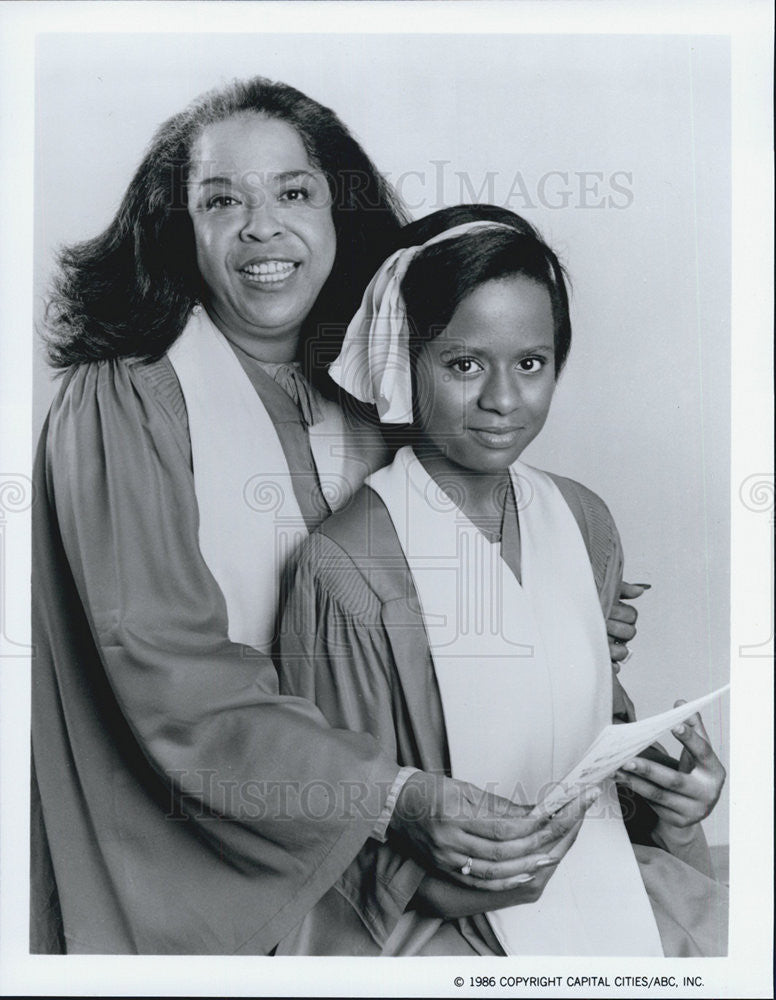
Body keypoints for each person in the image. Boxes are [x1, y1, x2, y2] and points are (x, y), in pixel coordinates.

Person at [31, 80, 640, 955]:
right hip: (193, 859)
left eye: (293, 192)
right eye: (220, 201)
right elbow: (163, 668)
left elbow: (409, 609)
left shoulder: (374, 387)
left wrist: (566, 609)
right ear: (180, 228)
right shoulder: (126, 397)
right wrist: (390, 798)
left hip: (389, 857)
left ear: (338, 211)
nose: (261, 227)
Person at [277, 205, 728, 955]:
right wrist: (458, 882)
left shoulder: (584, 520)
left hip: (604, 880)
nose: (503, 399)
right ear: (404, 361)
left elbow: (589, 752)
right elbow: (335, 818)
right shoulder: (345, 565)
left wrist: (675, 803)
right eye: (463, 364)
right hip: (437, 921)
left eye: (531, 362)